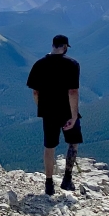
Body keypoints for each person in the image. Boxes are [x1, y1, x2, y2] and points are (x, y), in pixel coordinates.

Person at [26, 34, 82, 195]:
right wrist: (73, 116)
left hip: (48, 112)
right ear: (64, 47)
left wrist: (42, 108)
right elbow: (73, 91)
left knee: (49, 147)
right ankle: (67, 179)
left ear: (52, 45)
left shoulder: (39, 64)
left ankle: (49, 183)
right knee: (73, 143)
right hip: (67, 111)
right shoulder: (72, 64)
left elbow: (35, 92)